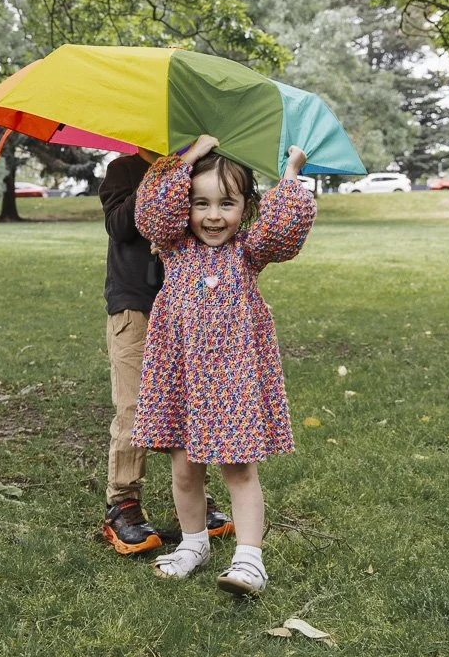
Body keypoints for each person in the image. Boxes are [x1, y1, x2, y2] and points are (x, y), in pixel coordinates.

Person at [131, 136, 316, 594]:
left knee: (239, 468)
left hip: (233, 378)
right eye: (201, 203)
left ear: (246, 208)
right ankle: (194, 543)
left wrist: (290, 174)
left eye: (227, 204)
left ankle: (250, 559)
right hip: (181, 374)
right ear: (185, 207)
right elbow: (151, 208)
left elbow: (284, 229)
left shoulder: (248, 252)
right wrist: (188, 158)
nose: (213, 216)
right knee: (183, 466)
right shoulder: (172, 245)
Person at [99, 148, 235, 555]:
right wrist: (168, 175)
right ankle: (122, 503)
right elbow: (121, 226)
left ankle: (194, 501)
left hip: (187, 304)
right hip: (135, 303)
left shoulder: (202, 167)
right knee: (135, 406)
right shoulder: (122, 169)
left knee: (192, 403)